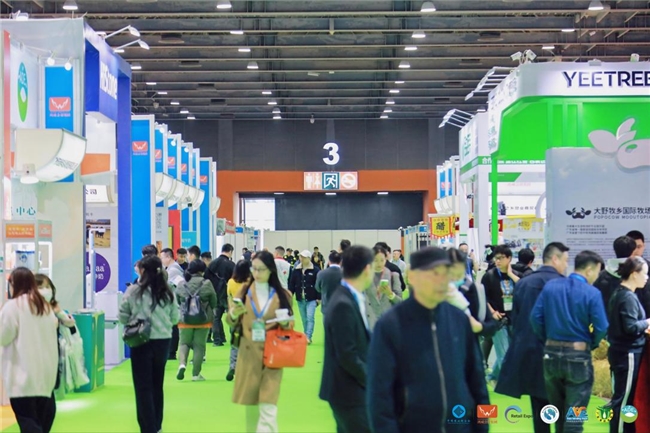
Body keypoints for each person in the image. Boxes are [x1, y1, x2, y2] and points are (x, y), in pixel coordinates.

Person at [367, 247, 489, 433]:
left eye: (445, 273)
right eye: (433, 273)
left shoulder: (459, 320)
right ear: (413, 277)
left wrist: (483, 426)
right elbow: (379, 395)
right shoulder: (390, 325)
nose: (441, 280)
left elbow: (478, 383)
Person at [530, 250, 608, 433]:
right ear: (589, 270)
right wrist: (591, 343)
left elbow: (535, 318)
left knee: (558, 412)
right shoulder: (592, 293)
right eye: (597, 272)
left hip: (550, 355)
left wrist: (547, 339)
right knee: (575, 416)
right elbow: (602, 327)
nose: (597, 277)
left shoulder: (551, 287)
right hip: (578, 357)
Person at [496, 242, 569, 433]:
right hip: (559, 352)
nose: (566, 265)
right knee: (563, 405)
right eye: (565, 260)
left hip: (529, 350)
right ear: (555, 259)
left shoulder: (523, 283)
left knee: (538, 403)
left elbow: (516, 317)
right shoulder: (565, 284)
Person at [227, 251, 294, 433]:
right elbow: (230, 320)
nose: (256, 273)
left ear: (271, 270)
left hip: (273, 355)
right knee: (252, 407)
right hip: (248, 355)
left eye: (261, 269)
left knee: (268, 406)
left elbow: (290, 324)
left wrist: (285, 322)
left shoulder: (283, 295)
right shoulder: (244, 291)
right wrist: (234, 314)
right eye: (254, 269)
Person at [119, 255, 180, 433]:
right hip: (163, 341)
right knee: (157, 384)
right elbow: (175, 318)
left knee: (142, 386)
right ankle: (157, 425)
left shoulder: (133, 291)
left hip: (140, 341)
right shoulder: (167, 291)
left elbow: (122, 316)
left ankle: (148, 428)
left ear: (143, 270)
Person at [320, 246, 373, 433]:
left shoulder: (349, 297)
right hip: (348, 390)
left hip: (349, 388)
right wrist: (371, 378)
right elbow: (347, 354)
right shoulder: (343, 303)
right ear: (367, 269)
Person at [0, 267, 58, 433]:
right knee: (41, 422)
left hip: (22, 379)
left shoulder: (13, 307)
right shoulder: (45, 307)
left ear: (13, 284)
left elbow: (3, 337)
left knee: (28, 422)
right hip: (45, 378)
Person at [605, 256, 650, 433]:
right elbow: (630, 327)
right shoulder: (627, 297)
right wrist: (647, 322)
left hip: (621, 351)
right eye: (644, 273)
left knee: (622, 397)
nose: (646, 278)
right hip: (628, 353)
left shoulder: (620, 293)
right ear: (634, 274)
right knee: (623, 400)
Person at [480, 244, 521, 385]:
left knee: (511, 352)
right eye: (496, 258)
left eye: (501, 258)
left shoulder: (516, 274)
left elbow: (525, 287)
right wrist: (492, 312)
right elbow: (484, 297)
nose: (497, 261)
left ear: (509, 258)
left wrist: (511, 275)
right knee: (504, 354)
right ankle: (511, 384)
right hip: (498, 319)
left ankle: (491, 377)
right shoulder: (489, 276)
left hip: (514, 318)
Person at [175, 259, 217, 382]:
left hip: (185, 320)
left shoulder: (182, 283)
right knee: (199, 346)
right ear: (202, 271)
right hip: (203, 320)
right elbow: (214, 301)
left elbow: (177, 301)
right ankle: (196, 374)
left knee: (184, 343)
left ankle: (182, 364)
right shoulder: (207, 283)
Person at [447, 249, 498, 336]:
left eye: (459, 275)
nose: (455, 279)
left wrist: (478, 327)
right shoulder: (433, 293)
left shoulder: (473, 289)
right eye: (451, 275)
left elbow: (491, 325)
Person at [594, 236, 638, 311]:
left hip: (607, 317)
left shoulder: (601, 276)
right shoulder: (639, 275)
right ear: (633, 252)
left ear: (615, 250)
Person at [225, 260, 253, 382]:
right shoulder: (251, 283)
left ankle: (233, 366)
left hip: (235, 315)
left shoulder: (231, 282)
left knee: (235, 344)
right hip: (250, 316)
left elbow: (229, 298)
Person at [205, 243, 235, 346]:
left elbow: (206, 278)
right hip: (228, 295)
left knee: (216, 318)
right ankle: (233, 340)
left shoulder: (212, 263)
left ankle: (217, 340)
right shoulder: (231, 265)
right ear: (230, 251)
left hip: (215, 294)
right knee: (232, 317)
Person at [288, 250, 321, 344]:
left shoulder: (316, 270)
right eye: (300, 256)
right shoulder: (296, 270)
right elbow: (292, 284)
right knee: (304, 318)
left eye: (303, 257)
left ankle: (308, 336)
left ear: (308, 258)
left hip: (312, 298)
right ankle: (306, 335)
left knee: (310, 317)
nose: (301, 258)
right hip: (300, 298)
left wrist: (319, 298)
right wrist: (289, 295)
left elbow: (318, 285)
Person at [366, 246, 402, 330]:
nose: (379, 264)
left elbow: (400, 302)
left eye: (382, 260)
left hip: (388, 322)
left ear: (386, 259)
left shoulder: (393, 276)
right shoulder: (364, 277)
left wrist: (390, 294)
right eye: (375, 260)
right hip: (369, 322)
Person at [160, 248, 184, 360]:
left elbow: (169, 285)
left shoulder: (173, 270)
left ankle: (171, 352)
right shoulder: (171, 269)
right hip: (172, 301)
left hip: (173, 302)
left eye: (162, 258)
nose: (161, 260)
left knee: (174, 327)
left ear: (168, 257)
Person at [315, 251, 343, 316]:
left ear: (329, 261)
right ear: (340, 261)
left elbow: (318, 288)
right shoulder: (346, 274)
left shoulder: (321, 273)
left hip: (326, 306)